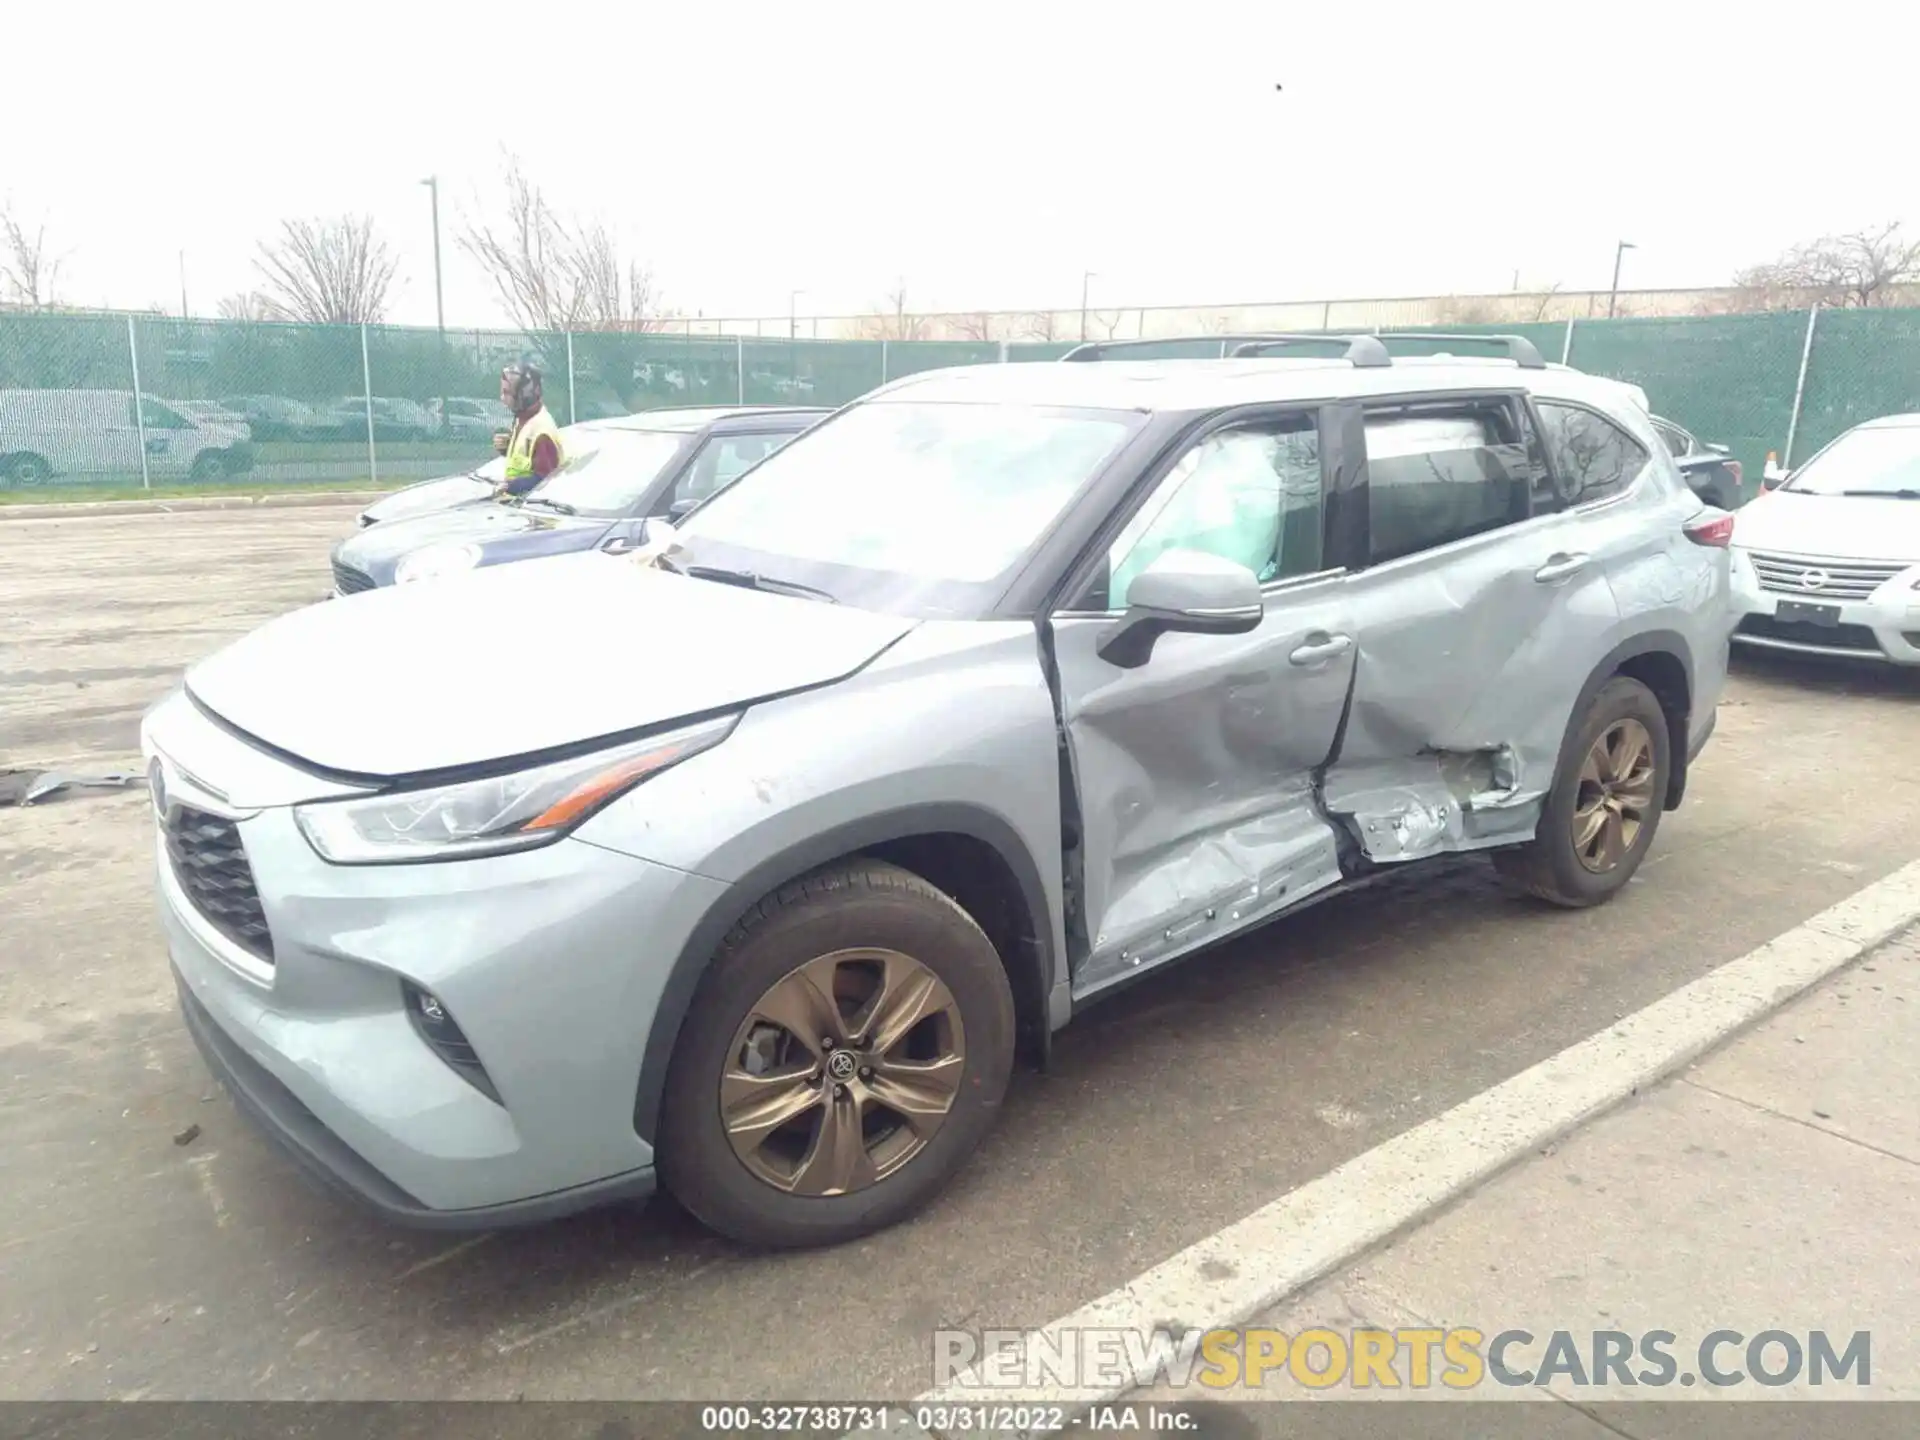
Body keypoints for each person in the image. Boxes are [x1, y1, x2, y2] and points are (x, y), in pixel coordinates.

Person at [491, 361, 565, 498]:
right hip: (518, 506)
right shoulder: (523, 418)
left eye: (507, 393)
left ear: (525, 394)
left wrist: (510, 487)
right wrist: (507, 449)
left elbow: (546, 481)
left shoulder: (542, 432)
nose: (502, 399)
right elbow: (525, 462)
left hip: (533, 514)